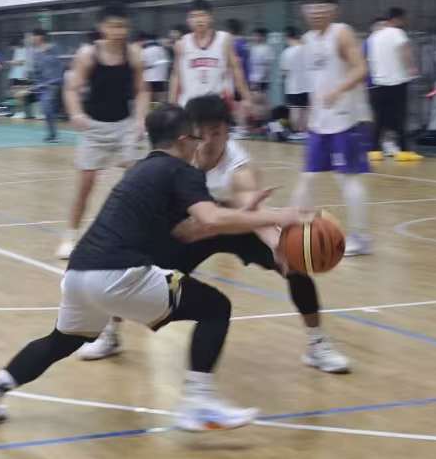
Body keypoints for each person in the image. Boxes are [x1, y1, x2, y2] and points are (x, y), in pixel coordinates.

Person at [0, 100, 314, 431]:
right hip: (119, 274)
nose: (200, 144)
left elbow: (190, 231)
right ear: (183, 140)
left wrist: (245, 212)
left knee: (61, 341)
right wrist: (279, 216)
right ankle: (198, 402)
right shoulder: (181, 171)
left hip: (80, 272)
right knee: (215, 307)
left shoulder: (143, 171)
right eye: (196, 137)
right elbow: (210, 218)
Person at [77, 95, 350, 373]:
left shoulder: (239, 169)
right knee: (136, 262)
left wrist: (277, 244)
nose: (208, 141)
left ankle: (317, 344)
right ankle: (110, 333)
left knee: (294, 266)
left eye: (216, 133)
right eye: (202, 133)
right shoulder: (176, 158)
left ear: (227, 132)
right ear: (188, 133)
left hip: (234, 224)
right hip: (193, 228)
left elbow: (253, 211)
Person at [57, 4, 149, 259]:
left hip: (125, 126)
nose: (118, 31)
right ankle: (70, 236)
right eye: (113, 26)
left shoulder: (134, 54)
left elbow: (142, 90)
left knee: (139, 183)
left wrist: (140, 119)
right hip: (95, 128)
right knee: (85, 185)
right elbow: (71, 89)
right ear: (102, 28)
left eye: (123, 26)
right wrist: (76, 113)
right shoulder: (88, 54)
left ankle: (138, 236)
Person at [291, 0, 374, 256]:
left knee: (346, 179)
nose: (315, 12)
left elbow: (361, 69)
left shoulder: (342, 33)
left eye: (321, 6)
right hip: (320, 120)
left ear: (333, 9)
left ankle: (361, 237)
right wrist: (309, 111)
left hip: (346, 118)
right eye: (310, 7)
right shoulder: (308, 39)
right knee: (308, 177)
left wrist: (338, 90)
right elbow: (315, 81)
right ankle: (293, 231)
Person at [169, 0, 250, 113]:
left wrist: (246, 98)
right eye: (194, 16)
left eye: (202, 15)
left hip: (216, 104)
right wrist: (171, 104)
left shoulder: (224, 39)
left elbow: (237, 69)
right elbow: (176, 75)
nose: (198, 20)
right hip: (188, 104)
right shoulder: (181, 44)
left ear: (211, 17)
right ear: (188, 20)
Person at [366, 8, 421, 161]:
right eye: (403, 19)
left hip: (378, 83)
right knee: (400, 117)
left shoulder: (374, 36)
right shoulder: (397, 33)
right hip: (397, 82)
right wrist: (411, 68)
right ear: (396, 19)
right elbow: (405, 51)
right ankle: (404, 151)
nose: (404, 22)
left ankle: (374, 151)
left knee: (379, 118)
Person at [29, 29, 64, 142]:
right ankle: (52, 134)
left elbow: (59, 65)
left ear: (40, 37)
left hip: (53, 83)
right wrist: (36, 84)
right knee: (46, 110)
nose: (32, 38)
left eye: (34, 36)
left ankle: (53, 135)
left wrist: (59, 79)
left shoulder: (53, 48)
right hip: (42, 86)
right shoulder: (35, 53)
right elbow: (36, 70)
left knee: (48, 108)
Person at [280, 26, 309, 139]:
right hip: (307, 86)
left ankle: (296, 132)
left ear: (287, 37)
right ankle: (304, 132)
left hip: (293, 86)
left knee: (295, 109)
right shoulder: (306, 49)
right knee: (305, 109)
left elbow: (284, 72)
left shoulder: (286, 52)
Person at [138, 31, 171, 104]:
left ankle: (153, 109)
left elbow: (142, 65)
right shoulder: (162, 50)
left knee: (150, 100)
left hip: (149, 79)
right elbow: (167, 63)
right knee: (160, 100)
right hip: (162, 78)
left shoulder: (145, 51)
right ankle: (160, 108)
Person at [7, 34, 33, 119]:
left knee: (20, 95)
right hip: (15, 75)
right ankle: (18, 112)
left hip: (21, 75)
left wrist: (11, 62)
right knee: (15, 95)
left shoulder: (25, 50)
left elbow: (22, 62)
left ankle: (21, 112)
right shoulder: (17, 50)